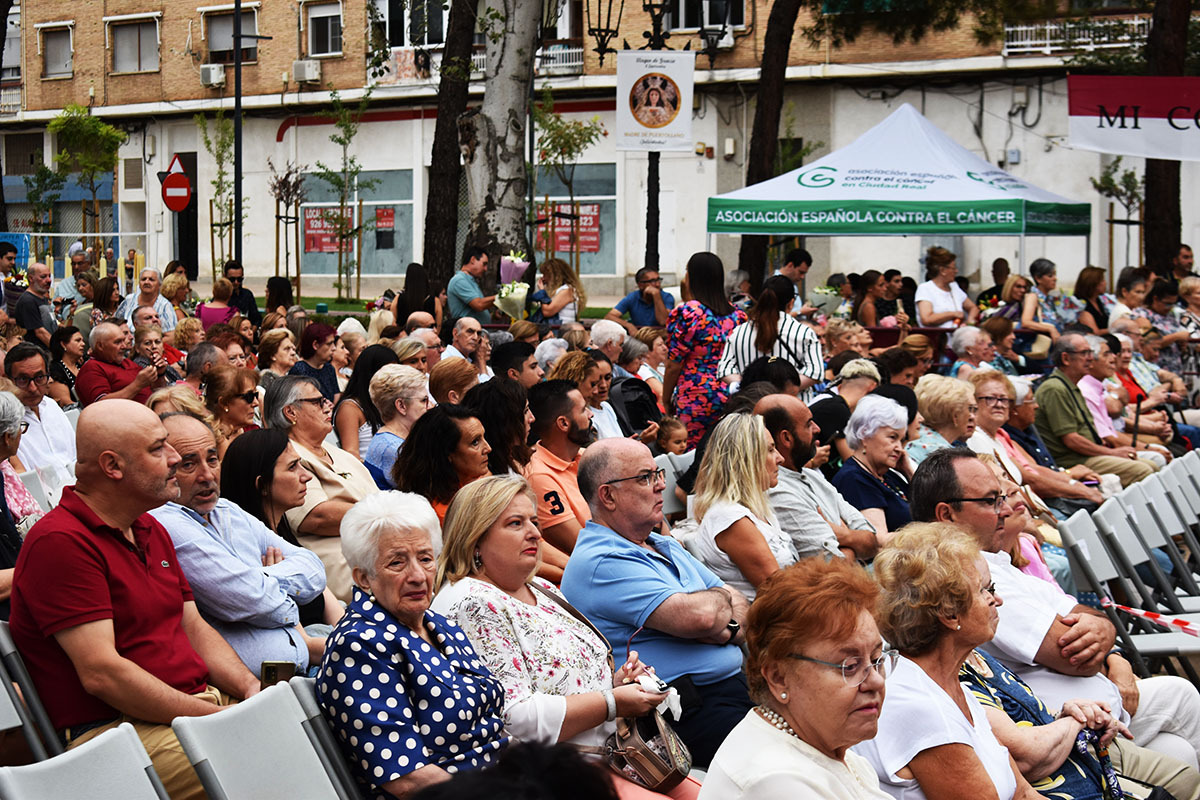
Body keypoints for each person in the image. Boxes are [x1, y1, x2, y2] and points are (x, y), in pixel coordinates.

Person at [9, 400, 260, 800]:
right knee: (268, 755)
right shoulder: (61, 542)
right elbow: (102, 674)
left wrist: (250, 689)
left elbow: (192, 625)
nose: (175, 458)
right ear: (113, 466)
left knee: (322, 725)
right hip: (113, 732)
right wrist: (216, 719)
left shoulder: (146, 525)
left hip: (189, 709)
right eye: (158, 448)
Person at [910, 448, 1200, 788]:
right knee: (1181, 698)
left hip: (1098, 716)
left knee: (1179, 751)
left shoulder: (992, 565)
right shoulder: (965, 583)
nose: (1006, 509)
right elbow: (1076, 656)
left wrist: (1111, 646)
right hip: (1072, 730)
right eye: (991, 500)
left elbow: (1088, 616)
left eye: (1003, 496)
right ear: (947, 514)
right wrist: (1106, 644)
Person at [431, 475, 699, 800]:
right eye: (515, 523)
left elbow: (565, 684)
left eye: (533, 520)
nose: (534, 532)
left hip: (609, 752)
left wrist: (618, 684)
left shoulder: (540, 588)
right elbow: (514, 718)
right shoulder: (472, 601)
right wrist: (613, 702)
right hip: (549, 775)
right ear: (475, 538)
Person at [561, 438, 753, 767]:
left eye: (658, 473)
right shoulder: (601, 560)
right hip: (685, 713)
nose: (661, 485)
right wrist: (712, 611)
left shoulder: (661, 542)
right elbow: (702, 618)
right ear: (608, 495)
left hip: (731, 689)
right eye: (645, 477)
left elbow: (739, 606)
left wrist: (722, 622)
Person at [316, 491, 509, 799]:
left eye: (425, 558)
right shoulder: (359, 646)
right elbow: (406, 779)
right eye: (397, 563)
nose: (418, 576)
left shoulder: (439, 623)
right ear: (364, 578)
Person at [858, 523, 1041, 800]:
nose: (998, 600)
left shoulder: (953, 687)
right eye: (985, 590)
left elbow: (1023, 793)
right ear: (950, 614)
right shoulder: (919, 705)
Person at [150, 412, 327, 676]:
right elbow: (251, 597)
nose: (207, 475)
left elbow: (314, 571)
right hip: (261, 692)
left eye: (212, 459)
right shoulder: (165, 520)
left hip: (302, 664)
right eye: (188, 465)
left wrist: (256, 577)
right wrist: (266, 590)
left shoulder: (227, 509)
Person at [702, 558, 894, 800]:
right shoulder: (774, 780)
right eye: (850, 666)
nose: (875, 681)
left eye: (877, 659)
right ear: (779, 678)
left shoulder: (823, 743)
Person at [263, 376, 378, 601]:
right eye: (318, 401)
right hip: (348, 569)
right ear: (291, 413)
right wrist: (386, 513)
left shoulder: (334, 451)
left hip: (377, 551)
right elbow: (316, 516)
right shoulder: (288, 456)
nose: (329, 405)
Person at [755, 393, 876, 561]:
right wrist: (852, 538)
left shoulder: (813, 476)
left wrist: (843, 535)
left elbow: (872, 541)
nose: (817, 429)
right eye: (808, 424)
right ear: (787, 438)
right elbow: (834, 564)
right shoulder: (776, 489)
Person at [687, 413, 795, 601]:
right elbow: (780, 594)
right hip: (773, 622)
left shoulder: (754, 507)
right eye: (770, 450)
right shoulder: (730, 519)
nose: (780, 458)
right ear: (747, 459)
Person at [1034, 333, 1155, 487]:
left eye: (1090, 353)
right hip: (1074, 460)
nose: (1090, 358)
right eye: (1084, 353)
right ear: (1066, 359)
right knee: (1143, 470)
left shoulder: (1071, 386)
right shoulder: (1055, 389)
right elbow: (1072, 440)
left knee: (1152, 464)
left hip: (1088, 454)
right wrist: (1112, 452)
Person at [664, 253, 747, 447]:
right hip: (731, 394)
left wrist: (666, 399)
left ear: (691, 276)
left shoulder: (688, 313)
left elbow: (673, 364)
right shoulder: (738, 315)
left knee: (694, 458)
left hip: (695, 396)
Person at [525, 379, 593, 579]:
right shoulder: (539, 476)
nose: (591, 414)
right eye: (583, 410)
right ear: (563, 423)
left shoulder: (585, 456)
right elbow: (583, 546)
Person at [716, 276, 823, 402]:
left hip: (752, 407)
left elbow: (724, 369)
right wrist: (783, 390)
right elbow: (815, 372)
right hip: (795, 407)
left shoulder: (738, 332)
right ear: (791, 303)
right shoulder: (804, 333)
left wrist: (750, 386)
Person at [832, 394, 913, 546]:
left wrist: (908, 472)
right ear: (864, 434)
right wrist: (929, 536)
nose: (899, 448)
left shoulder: (887, 475)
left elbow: (931, 508)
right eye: (892, 437)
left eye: (901, 440)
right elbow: (879, 539)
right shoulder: (854, 478)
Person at [393, 404, 491, 524]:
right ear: (447, 453)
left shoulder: (468, 480)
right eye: (475, 442)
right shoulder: (444, 514)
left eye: (483, 437)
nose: (488, 448)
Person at [4, 343, 73, 475]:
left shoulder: (51, 406)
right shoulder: (7, 422)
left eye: (39, 377)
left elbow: (75, 454)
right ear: (9, 380)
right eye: (23, 379)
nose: (33, 388)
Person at [362, 364, 428, 487]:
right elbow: (426, 491)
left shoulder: (397, 438)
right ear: (401, 406)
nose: (429, 406)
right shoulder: (393, 448)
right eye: (424, 400)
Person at [331, 344, 398, 459]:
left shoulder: (387, 403)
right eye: (388, 374)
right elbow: (351, 454)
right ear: (371, 373)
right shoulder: (350, 408)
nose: (394, 379)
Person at [75, 321, 165, 405]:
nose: (124, 346)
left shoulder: (127, 362)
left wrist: (159, 374)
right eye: (117, 342)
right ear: (100, 346)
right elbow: (101, 404)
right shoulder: (91, 368)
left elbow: (155, 391)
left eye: (123, 340)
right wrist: (137, 385)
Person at [461, 377, 535, 477]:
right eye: (525, 411)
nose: (532, 418)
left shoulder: (516, 457)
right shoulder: (488, 479)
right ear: (504, 421)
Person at [907, 374, 977, 465]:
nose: (972, 416)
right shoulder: (943, 456)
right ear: (955, 415)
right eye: (970, 409)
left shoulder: (915, 438)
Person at [203, 364, 259, 456]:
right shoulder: (208, 441)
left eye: (255, 395)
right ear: (224, 403)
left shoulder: (251, 431)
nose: (256, 403)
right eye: (249, 397)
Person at [915, 246, 977, 328]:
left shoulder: (954, 287)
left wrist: (969, 322)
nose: (956, 271)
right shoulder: (925, 288)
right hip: (936, 338)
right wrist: (953, 314)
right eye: (953, 268)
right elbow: (926, 319)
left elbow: (973, 307)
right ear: (943, 271)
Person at [607, 267, 676, 333]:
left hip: (661, 336)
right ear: (640, 285)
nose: (657, 284)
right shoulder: (633, 297)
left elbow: (663, 321)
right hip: (640, 336)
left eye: (658, 280)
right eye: (652, 281)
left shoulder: (667, 297)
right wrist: (628, 325)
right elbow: (609, 317)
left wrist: (656, 295)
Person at [118, 268, 177, 341]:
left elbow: (171, 337)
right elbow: (115, 323)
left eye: (151, 279)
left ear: (159, 284)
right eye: (143, 279)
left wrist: (148, 346)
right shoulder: (129, 300)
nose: (146, 282)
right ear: (139, 284)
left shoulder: (165, 306)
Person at [288, 322, 339, 402]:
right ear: (315, 345)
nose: (334, 348)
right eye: (329, 344)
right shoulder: (299, 370)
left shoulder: (329, 368)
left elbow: (336, 395)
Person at [448, 245, 496, 325]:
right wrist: (502, 296)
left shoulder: (470, 281)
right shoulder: (459, 280)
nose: (485, 269)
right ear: (473, 260)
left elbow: (474, 311)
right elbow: (479, 304)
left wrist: (493, 315)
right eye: (484, 264)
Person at [15, 262, 56, 347]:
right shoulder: (28, 301)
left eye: (49, 276)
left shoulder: (42, 298)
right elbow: (40, 333)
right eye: (43, 277)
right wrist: (60, 352)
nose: (49, 280)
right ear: (31, 278)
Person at [536, 257, 587, 325]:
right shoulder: (560, 290)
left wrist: (542, 292)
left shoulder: (567, 291)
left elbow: (547, 312)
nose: (543, 278)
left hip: (562, 330)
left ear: (555, 276)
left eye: (545, 275)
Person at [46, 325, 84, 405]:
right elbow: (66, 403)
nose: (83, 344)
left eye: (82, 340)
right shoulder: (55, 370)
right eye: (78, 341)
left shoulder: (81, 365)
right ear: (63, 344)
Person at [223, 261, 261, 326]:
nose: (236, 282)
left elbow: (256, 320)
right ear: (225, 277)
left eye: (239, 279)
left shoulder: (247, 295)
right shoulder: (221, 296)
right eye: (232, 279)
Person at [1074, 266, 1110, 334]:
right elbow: (1094, 332)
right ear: (1094, 283)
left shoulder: (1098, 300)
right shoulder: (1080, 304)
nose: (1105, 283)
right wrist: (1115, 329)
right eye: (1102, 280)